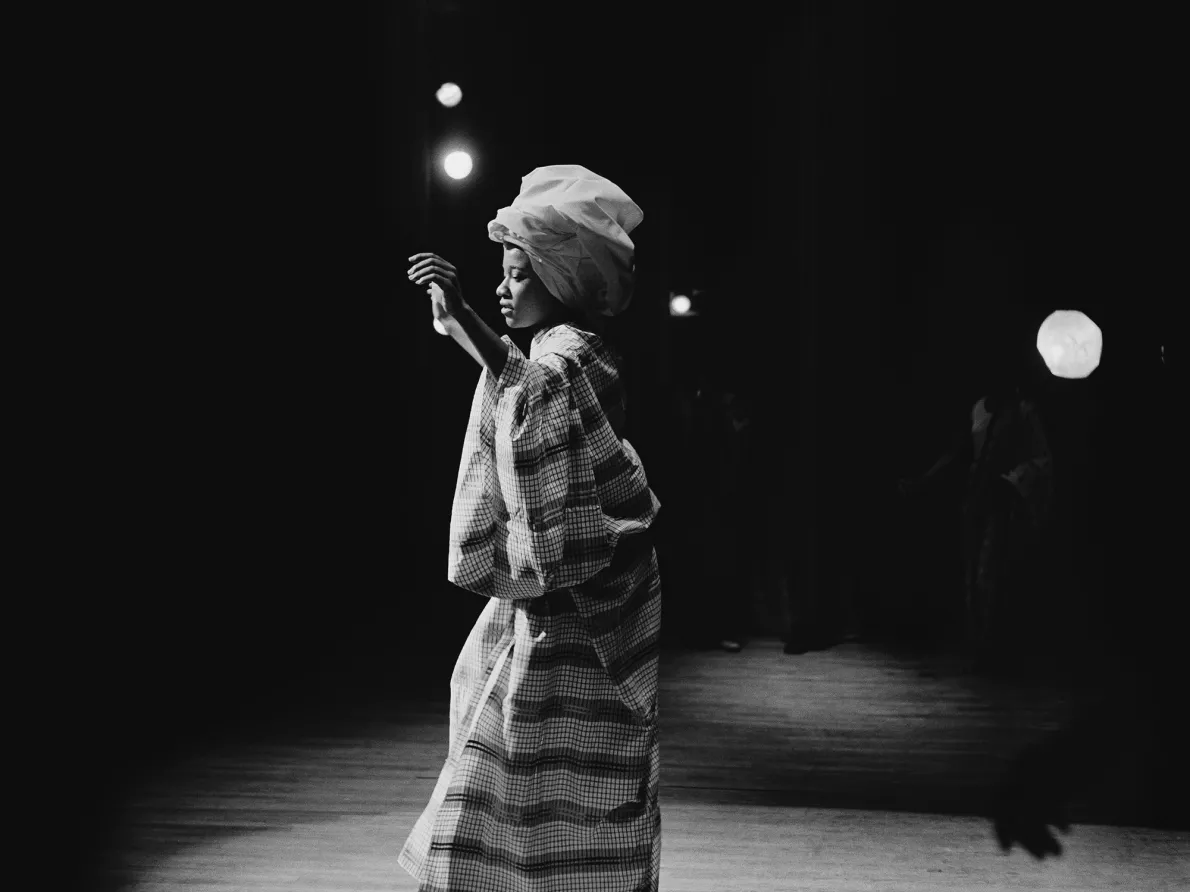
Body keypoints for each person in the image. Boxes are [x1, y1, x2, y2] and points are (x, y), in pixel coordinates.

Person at [398, 166, 663, 892]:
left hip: (581, 608)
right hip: (564, 601)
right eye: (503, 274)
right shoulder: (566, 353)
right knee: (518, 765)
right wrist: (461, 322)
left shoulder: (574, 354)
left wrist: (464, 318)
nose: (503, 288)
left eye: (519, 274)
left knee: (537, 774)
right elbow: (520, 382)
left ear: (561, 279)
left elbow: (532, 392)